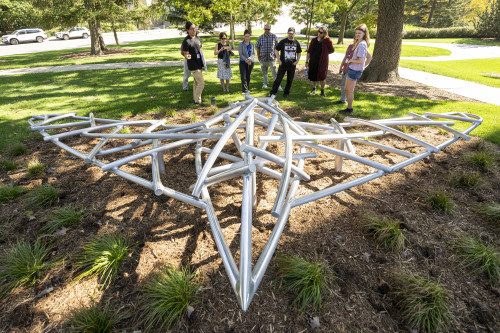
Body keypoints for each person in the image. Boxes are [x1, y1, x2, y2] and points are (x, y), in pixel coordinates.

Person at [339, 24, 370, 113]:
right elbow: (367, 58)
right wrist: (362, 67)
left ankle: (349, 109)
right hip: (352, 69)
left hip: (354, 71)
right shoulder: (359, 43)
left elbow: (360, 60)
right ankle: (348, 108)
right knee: (346, 89)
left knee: (349, 90)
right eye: (356, 33)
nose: (357, 35)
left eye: (359, 33)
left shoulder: (361, 45)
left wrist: (351, 61)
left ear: (364, 34)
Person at [270, 27, 302, 98]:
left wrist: (297, 61)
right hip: (283, 64)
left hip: (292, 65)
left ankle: (286, 93)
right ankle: (273, 92)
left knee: (289, 80)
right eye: (289, 33)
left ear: (294, 34)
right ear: (288, 33)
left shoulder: (296, 43)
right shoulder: (283, 42)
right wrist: (279, 60)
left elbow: (299, 52)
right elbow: (276, 50)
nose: (290, 35)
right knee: (278, 79)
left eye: (292, 33)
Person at [305, 26, 334, 97]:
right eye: (318, 31)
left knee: (322, 76)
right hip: (313, 60)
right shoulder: (314, 40)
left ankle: (322, 91)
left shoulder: (327, 40)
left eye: (321, 32)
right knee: (313, 75)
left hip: (322, 62)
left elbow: (332, 50)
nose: (319, 33)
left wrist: (325, 53)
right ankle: (314, 89)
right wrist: (306, 61)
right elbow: (309, 51)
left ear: (325, 33)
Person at [181, 21, 205, 105]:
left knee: (196, 83)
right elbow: (185, 53)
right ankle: (197, 100)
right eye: (192, 29)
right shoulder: (186, 41)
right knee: (201, 83)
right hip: (193, 65)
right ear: (187, 30)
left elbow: (200, 50)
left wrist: (203, 63)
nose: (194, 30)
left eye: (195, 28)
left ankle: (197, 100)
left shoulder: (198, 38)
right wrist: (186, 56)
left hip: (199, 64)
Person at [256, 24, 281, 91]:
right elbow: (258, 47)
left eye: (268, 29)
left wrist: (276, 56)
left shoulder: (274, 36)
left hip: (272, 59)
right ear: (264, 29)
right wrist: (258, 56)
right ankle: (265, 83)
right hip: (263, 59)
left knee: (274, 73)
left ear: (270, 29)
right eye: (265, 29)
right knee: (264, 72)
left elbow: (277, 47)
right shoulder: (260, 37)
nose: (267, 30)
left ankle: (277, 85)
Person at [238, 29, 256, 94]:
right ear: (244, 36)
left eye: (248, 36)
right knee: (243, 76)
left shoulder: (252, 44)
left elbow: (253, 53)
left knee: (248, 75)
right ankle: (244, 90)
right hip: (243, 62)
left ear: (249, 36)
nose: (247, 38)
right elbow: (240, 54)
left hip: (250, 62)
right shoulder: (241, 44)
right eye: (246, 36)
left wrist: (249, 59)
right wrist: (246, 60)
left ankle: (247, 88)